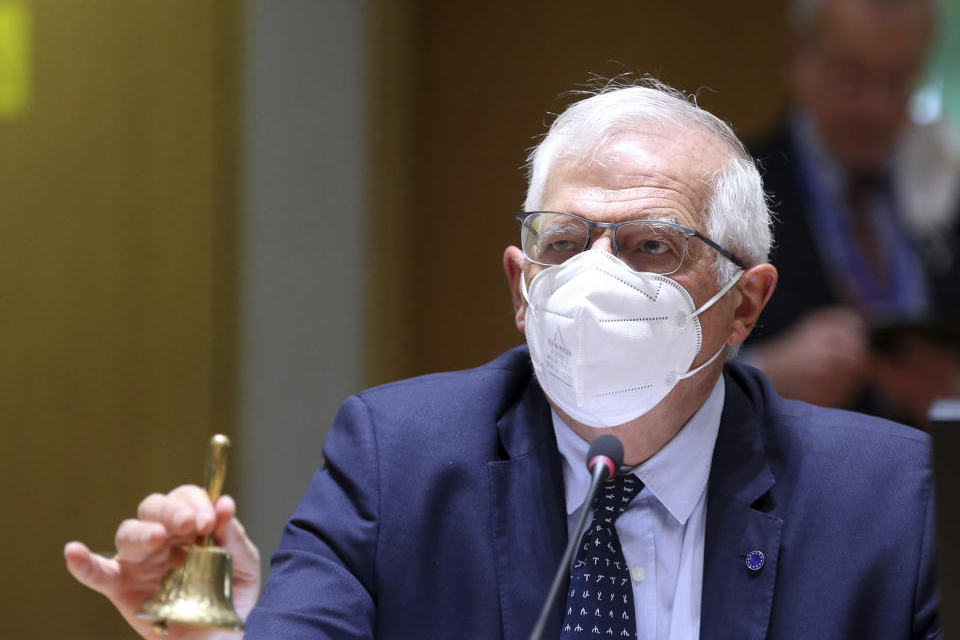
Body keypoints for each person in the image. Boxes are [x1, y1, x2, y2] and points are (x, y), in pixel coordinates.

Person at [65, 80, 939, 639]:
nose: (596, 279)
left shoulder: (891, 498)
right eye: (564, 243)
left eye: (648, 246)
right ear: (523, 289)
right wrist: (218, 632)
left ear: (744, 303)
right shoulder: (397, 459)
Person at [749, 0, 960, 425]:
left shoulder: (948, 177)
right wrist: (763, 376)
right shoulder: (734, 186)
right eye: (852, 76)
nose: (876, 109)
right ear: (798, 59)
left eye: (898, 80)